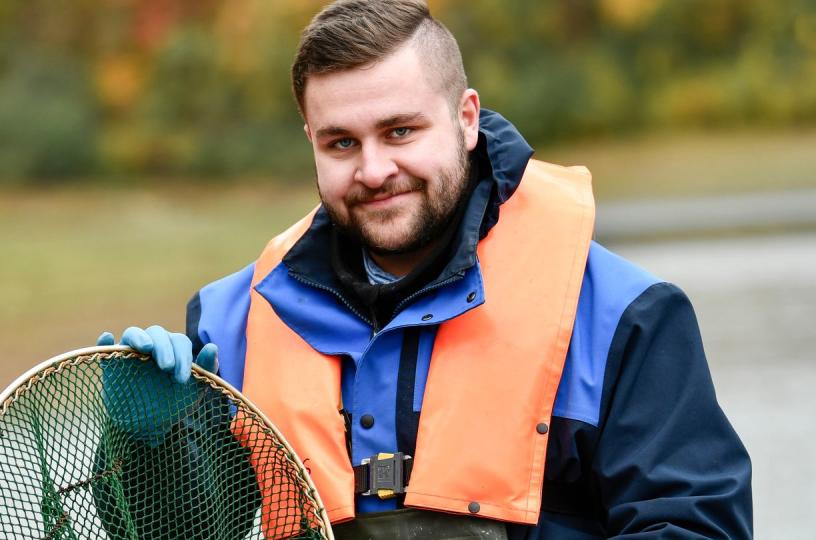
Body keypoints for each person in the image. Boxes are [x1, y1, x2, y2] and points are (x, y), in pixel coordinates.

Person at [97, 0, 753, 537]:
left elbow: (697, 527)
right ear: (311, 142)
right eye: (342, 143)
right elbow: (185, 529)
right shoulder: (227, 324)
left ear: (466, 119)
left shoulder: (624, 317)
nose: (375, 170)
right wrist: (151, 446)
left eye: (401, 131)